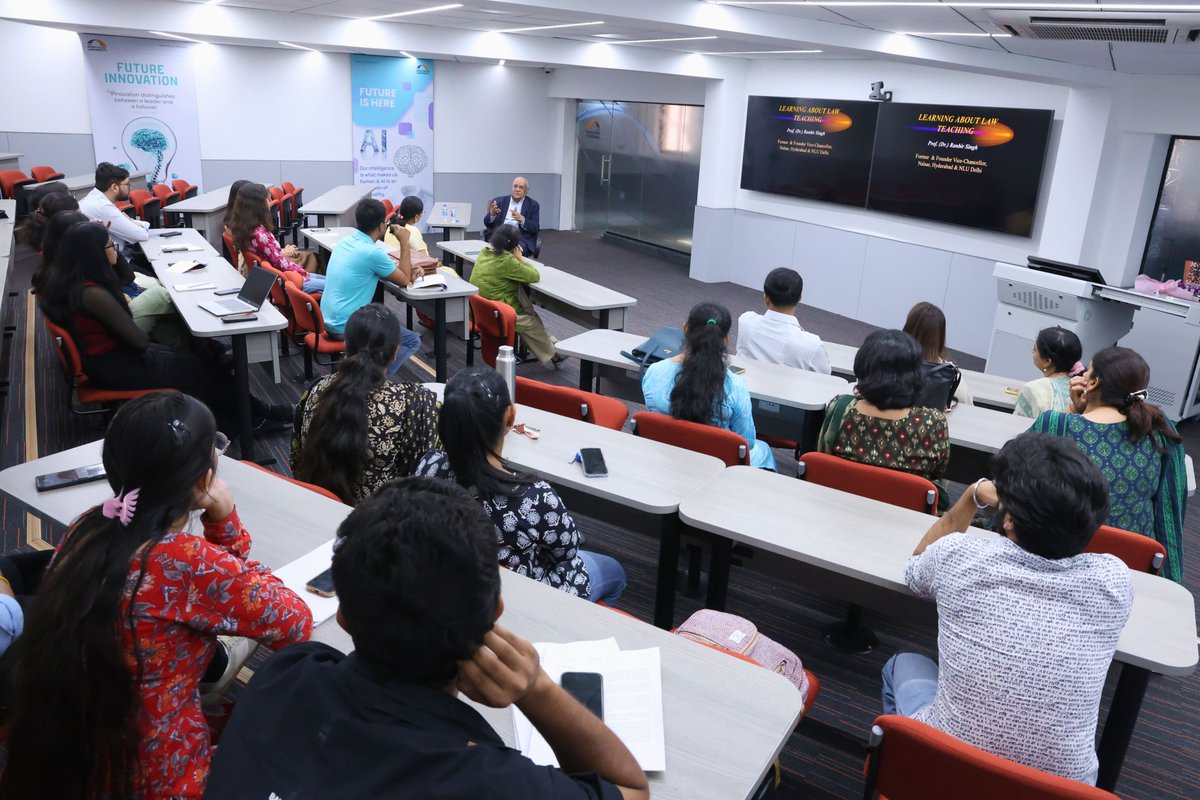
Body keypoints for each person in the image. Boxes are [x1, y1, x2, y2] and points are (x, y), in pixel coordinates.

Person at [202, 477, 649, 799]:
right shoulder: (491, 782)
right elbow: (630, 789)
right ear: (493, 614)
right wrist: (537, 689)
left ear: (343, 617)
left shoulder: (287, 673)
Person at [0, 392, 313, 799]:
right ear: (203, 479)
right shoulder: (185, 561)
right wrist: (225, 520)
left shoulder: (90, 526)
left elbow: (217, 586)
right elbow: (294, 621)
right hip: (158, 772)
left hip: (70, 748)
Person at [883, 432, 1132, 785]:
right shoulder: (1114, 582)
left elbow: (916, 569)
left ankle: (903, 774)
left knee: (902, 664)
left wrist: (972, 495)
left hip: (946, 770)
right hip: (1061, 790)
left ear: (1010, 518)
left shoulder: (960, 556)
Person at [37, 221, 291, 432]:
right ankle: (251, 420)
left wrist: (112, 259)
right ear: (94, 254)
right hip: (117, 365)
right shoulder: (92, 293)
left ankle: (258, 413)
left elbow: (125, 279)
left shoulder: (75, 281)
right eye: (109, 246)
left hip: (113, 360)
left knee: (201, 365)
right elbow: (137, 340)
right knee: (200, 370)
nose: (115, 249)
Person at [415, 367, 627, 604]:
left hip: (452, 587)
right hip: (520, 598)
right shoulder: (536, 497)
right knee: (615, 572)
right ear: (511, 417)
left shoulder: (428, 466)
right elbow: (566, 553)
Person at [1029, 346, 1187, 583]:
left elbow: (1017, 477)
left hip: (1056, 563)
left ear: (1092, 384)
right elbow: (1169, 513)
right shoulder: (1160, 428)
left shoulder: (1056, 424)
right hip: (1130, 570)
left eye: (1087, 372)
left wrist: (1073, 410)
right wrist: (1170, 585)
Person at [292, 304, 439, 504]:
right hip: (380, 526)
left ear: (346, 345)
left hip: (318, 510)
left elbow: (296, 457)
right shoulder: (414, 404)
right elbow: (427, 476)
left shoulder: (316, 391)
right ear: (396, 351)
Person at [642, 302, 775, 470]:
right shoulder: (735, 385)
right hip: (716, 465)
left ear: (685, 328)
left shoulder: (655, 371)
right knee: (763, 449)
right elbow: (746, 442)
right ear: (725, 340)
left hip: (665, 455)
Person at [818, 329, 949, 485]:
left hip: (836, 503)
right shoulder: (932, 423)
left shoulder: (840, 408)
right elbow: (939, 472)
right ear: (916, 373)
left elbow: (822, 458)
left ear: (862, 367)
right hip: (903, 508)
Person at [320, 198, 422, 377]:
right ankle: (373, 382)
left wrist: (404, 272)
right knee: (412, 340)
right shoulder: (372, 253)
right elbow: (404, 280)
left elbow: (396, 274)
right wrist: (405, 242)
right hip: (347, 325)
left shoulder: (345, 242)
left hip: (327, 318)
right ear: (382, 226)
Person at [471, 224, 564, 367]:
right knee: (531, 322)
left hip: (482, 308)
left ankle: (553, 344)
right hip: (500, 312)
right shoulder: (507, 261)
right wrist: (520, 257)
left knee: (529, 311)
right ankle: (555, 356)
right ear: (514, 246)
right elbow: (534, 275)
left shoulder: (484, 252)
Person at [226, 182, 325, 293]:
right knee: (336, 287)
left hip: (283, 278)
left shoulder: (245, 228)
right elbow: (280, 263)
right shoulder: (259, 234)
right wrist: (302, 272)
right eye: (266, 198)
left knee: (330, 282)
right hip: (288, 280)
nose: (269, 201)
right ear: (259, 204)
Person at [736, 267, 831, 374]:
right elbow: (826, 376)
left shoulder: (746, 321)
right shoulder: (812, 345)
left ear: (766, 298)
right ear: (800, 298)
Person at [902, 301, 972, 409]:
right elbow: (969, 406)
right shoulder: (950, 374)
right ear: (940, 337)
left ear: (907, 329)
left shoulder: (888, 363)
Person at [78, 162, 150, 255]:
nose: (130, 187)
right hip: (113, 262)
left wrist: (135, 224)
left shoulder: (97, 198)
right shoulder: (103, 207)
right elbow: (141, 235)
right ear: (114, 187)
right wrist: (135, 224)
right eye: (127, 184)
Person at [1013, 326, 1083, 418]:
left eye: (1035, 349)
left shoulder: (1032, 389)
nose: (1032, 351)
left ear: (1047, 362)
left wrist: (1026, 395)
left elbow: (1016, 424)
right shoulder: (1082, 388)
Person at [483, 175, 540, 256]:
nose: (517, 189)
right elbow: (487, 223)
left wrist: (522, 220)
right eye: (515, 186)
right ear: (512, 187)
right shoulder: (499, 201)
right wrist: (492, 215)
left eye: (521, 187)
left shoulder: (533, 205)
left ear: (526, 191)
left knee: (515, 250)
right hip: (499, 235)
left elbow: (535, 228)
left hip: (520, 238)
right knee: (497, 248)